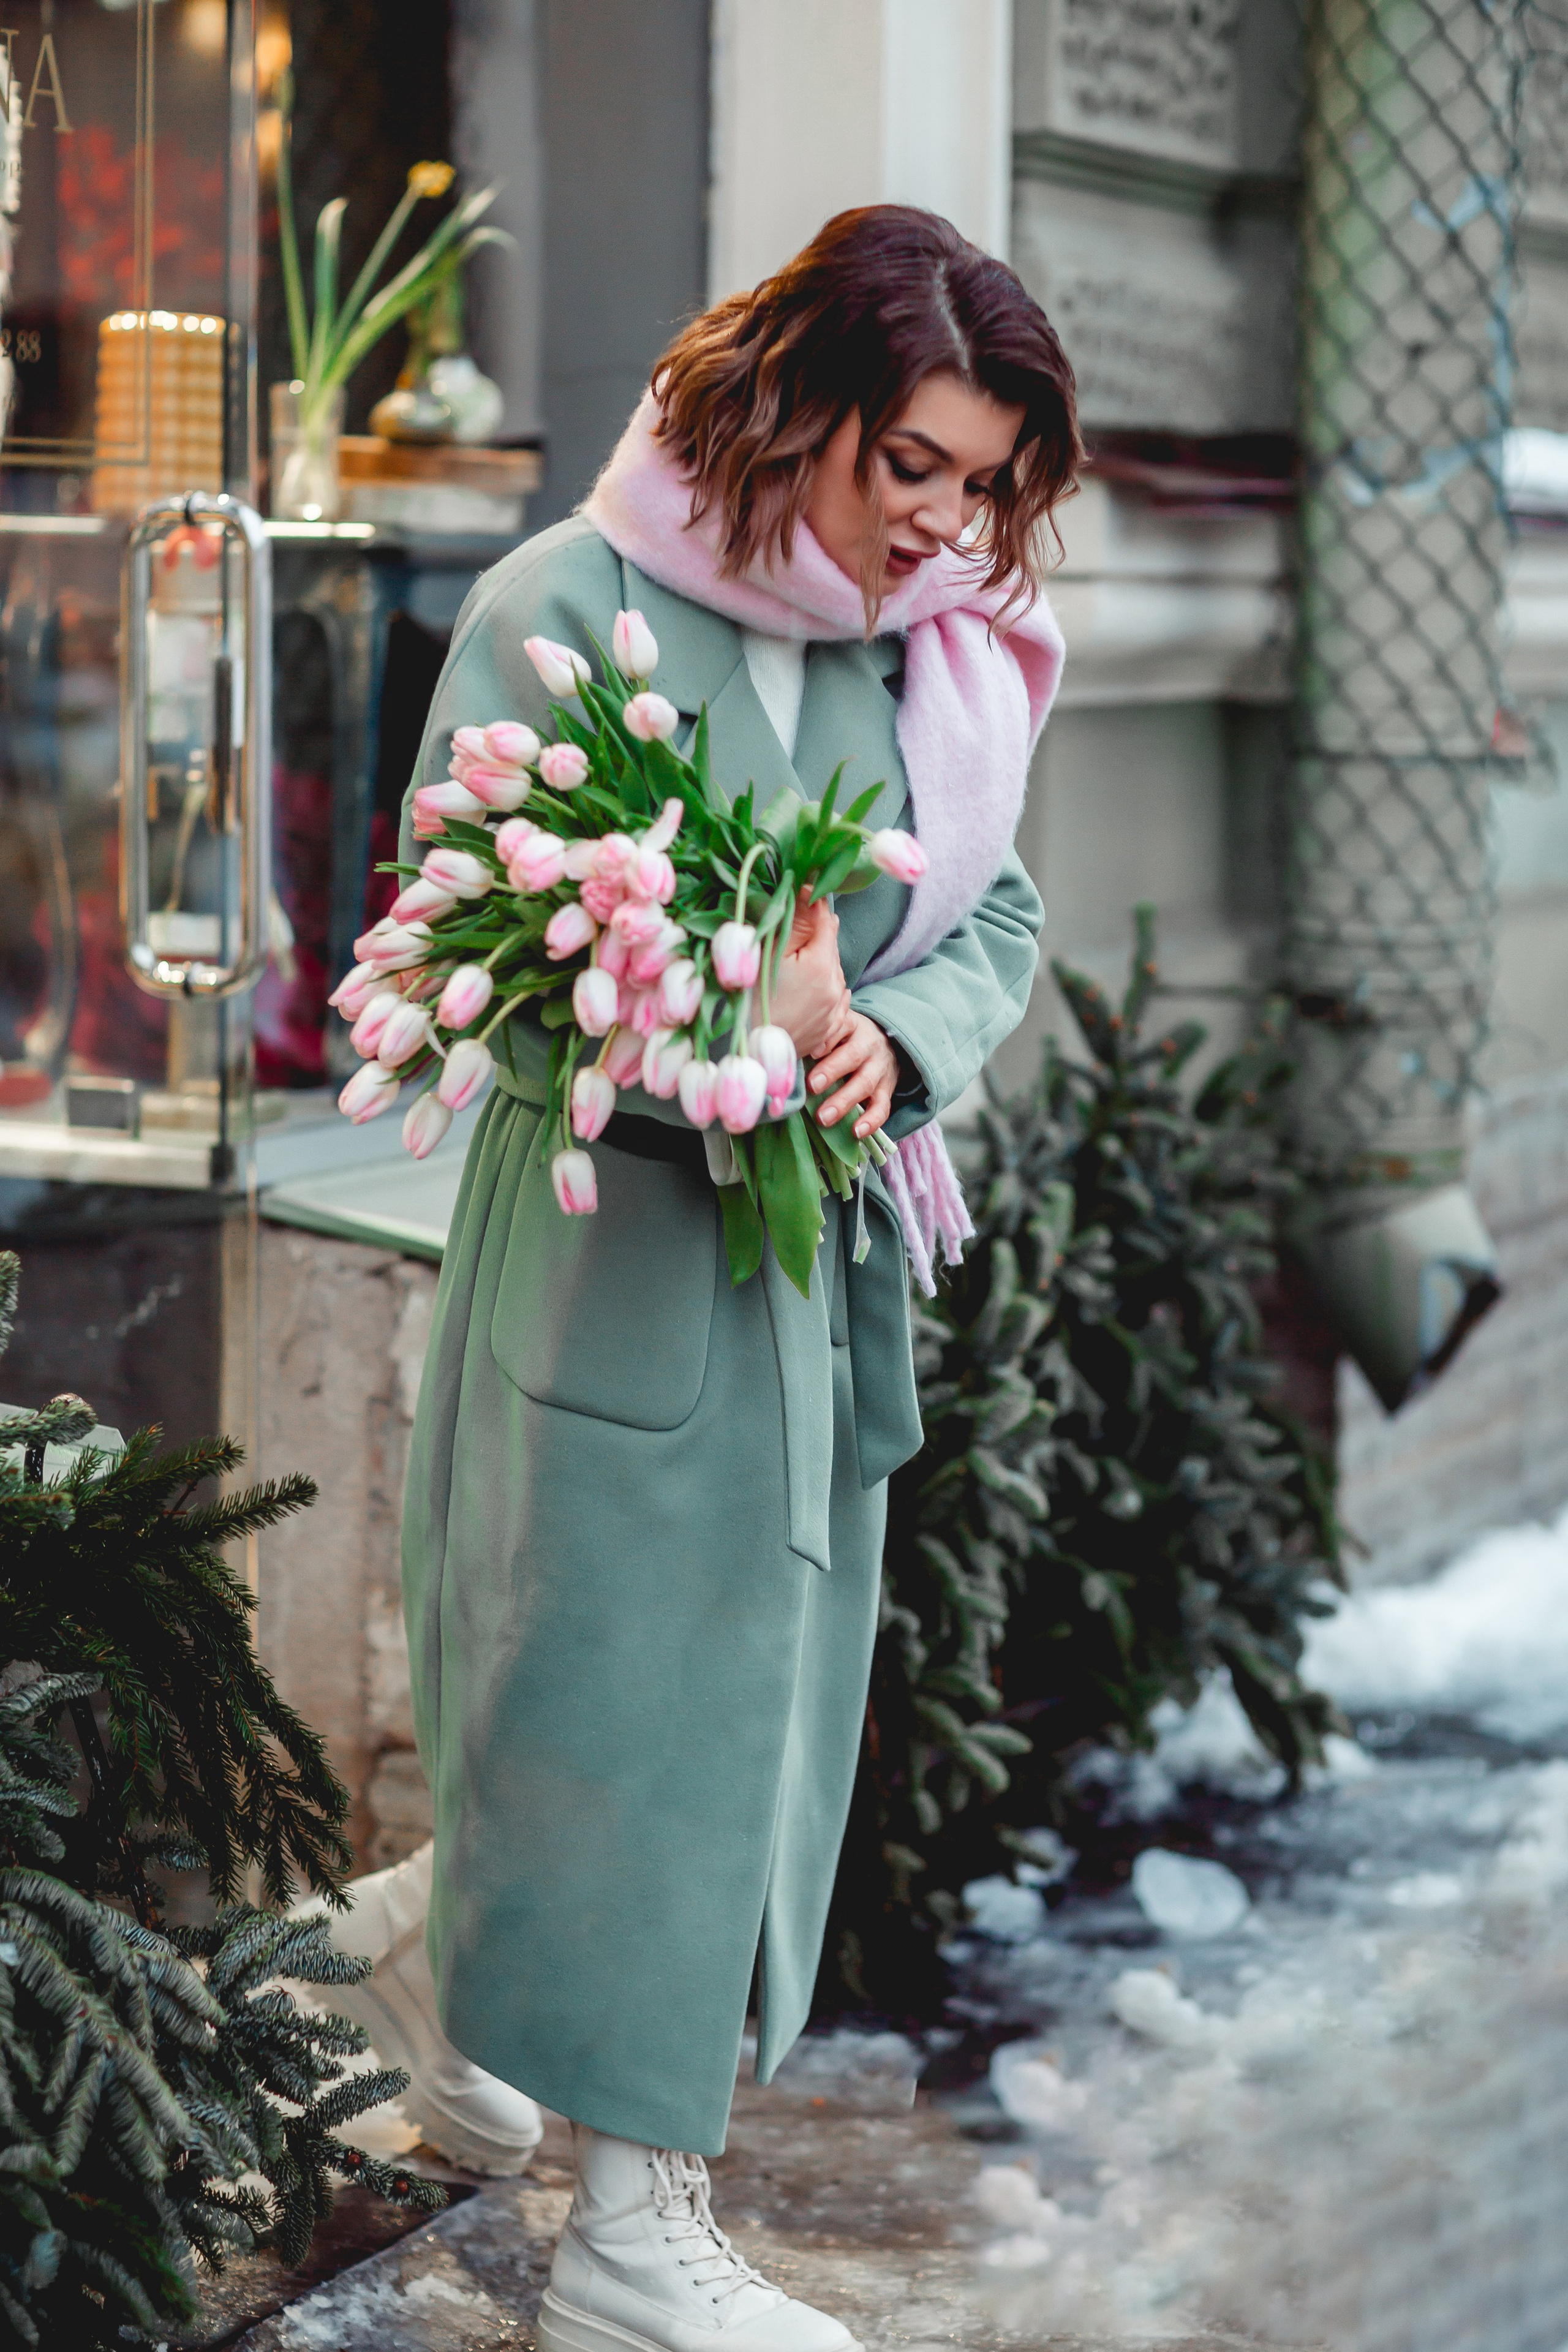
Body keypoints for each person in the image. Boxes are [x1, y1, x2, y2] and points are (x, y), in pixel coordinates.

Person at [399, 205, 1079, 2352]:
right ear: (802, 411)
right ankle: (626, 2246)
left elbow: (993, 915)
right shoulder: (561, 603)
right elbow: (457, 956)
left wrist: (897, 1042)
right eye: (917, 470)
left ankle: (471, 2008)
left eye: (984, 484)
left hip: (812, 1284)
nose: (949, 526)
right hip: (610, 1274)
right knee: (617, 1719)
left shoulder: (921, 657)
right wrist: (719, 1054)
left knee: (751, 1728)